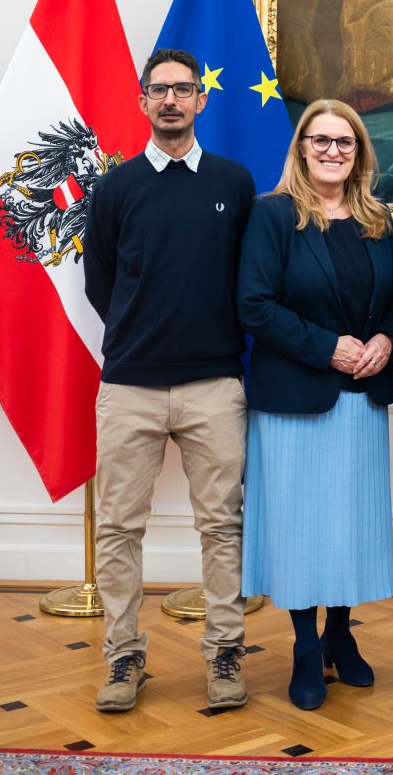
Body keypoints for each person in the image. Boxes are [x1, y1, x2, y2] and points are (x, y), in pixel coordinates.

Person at [81, 48, 258, 714]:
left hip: (215, 383)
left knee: (221, 526)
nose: (172, 100)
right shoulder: (116, 187)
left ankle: (225, 653)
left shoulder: (233, 182)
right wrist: (143, 332)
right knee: (120, 527)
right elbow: (103, 283)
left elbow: (248, 279)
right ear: (142, 101)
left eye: (184, 90)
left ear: (201, 100)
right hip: (131, 384)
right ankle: (123, 656)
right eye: (160, 90)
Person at [238, 100, 393, 711]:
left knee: (347, 522)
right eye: (321, 140)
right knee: (300, 526)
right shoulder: (273, 215)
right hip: (293, 398)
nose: (333, 151)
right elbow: (253, 305)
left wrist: (387, 338)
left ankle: (341, 633)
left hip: (360, 395)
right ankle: (305, 645)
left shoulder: (377, 219)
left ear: (358, 152)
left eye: (345, 142)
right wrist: (327, 348)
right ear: (302, 148)